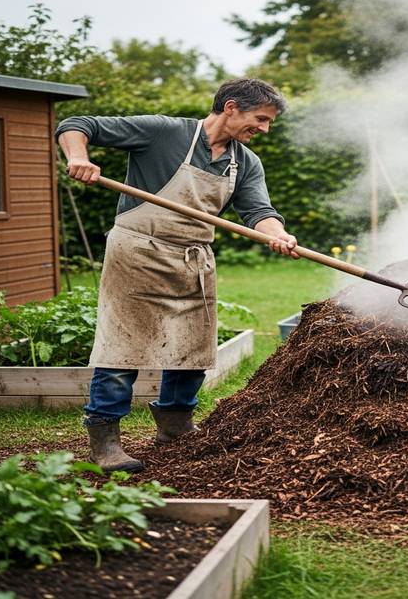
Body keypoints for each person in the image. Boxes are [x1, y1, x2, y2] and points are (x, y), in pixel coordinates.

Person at [56, 78, 298, 473]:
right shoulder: (165, 133)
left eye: (269, 122)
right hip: (138, 252)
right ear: (232, 107)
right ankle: (105, 441)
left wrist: (278, 234)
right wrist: (78, 156)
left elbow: (258, 213)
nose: (265, 129)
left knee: (193, 350)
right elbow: (77, 124)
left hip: (192, 260)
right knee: (121, 350)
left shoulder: (245, 162)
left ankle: (175, 424)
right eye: (261, 119)